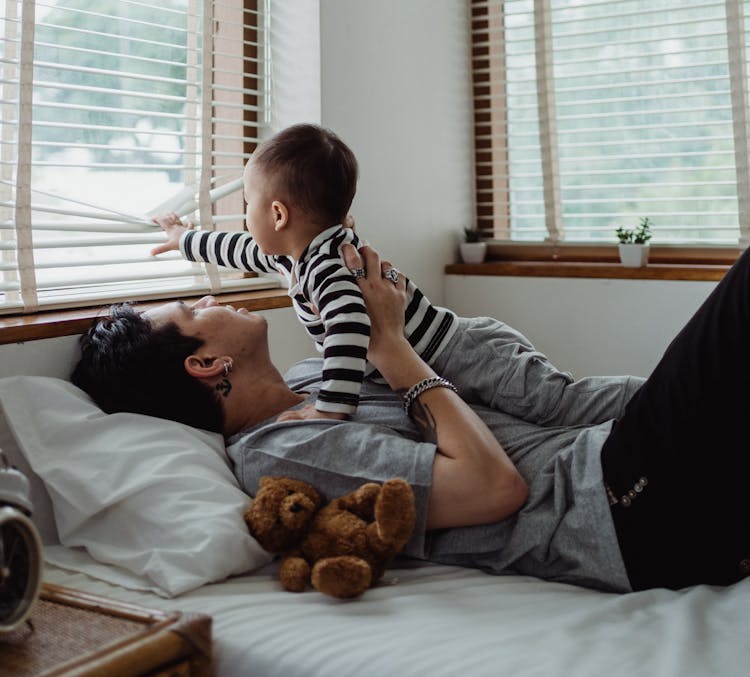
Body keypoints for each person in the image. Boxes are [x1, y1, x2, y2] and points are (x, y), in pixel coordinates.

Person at [71, 241, 750, 594]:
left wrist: (419, 320)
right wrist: (395, 351)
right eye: (193, 310)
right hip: (619, 513)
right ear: (206, 363)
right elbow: (495, 488)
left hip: (623, 455)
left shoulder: (317, 376)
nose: (209, 295)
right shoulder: (278, 452)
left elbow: (528, 390)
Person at [149, 123, 583, 425]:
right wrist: (185, 239)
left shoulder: (327, 267)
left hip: (469, 354)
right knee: (545, 416)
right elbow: (241, 250)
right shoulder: (295, 257)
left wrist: (332, 408)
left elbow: (351, 327)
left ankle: (642, 398)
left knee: (561, 404)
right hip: (451, 361)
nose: (244, 216)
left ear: (278, 214)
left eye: (247, 204)